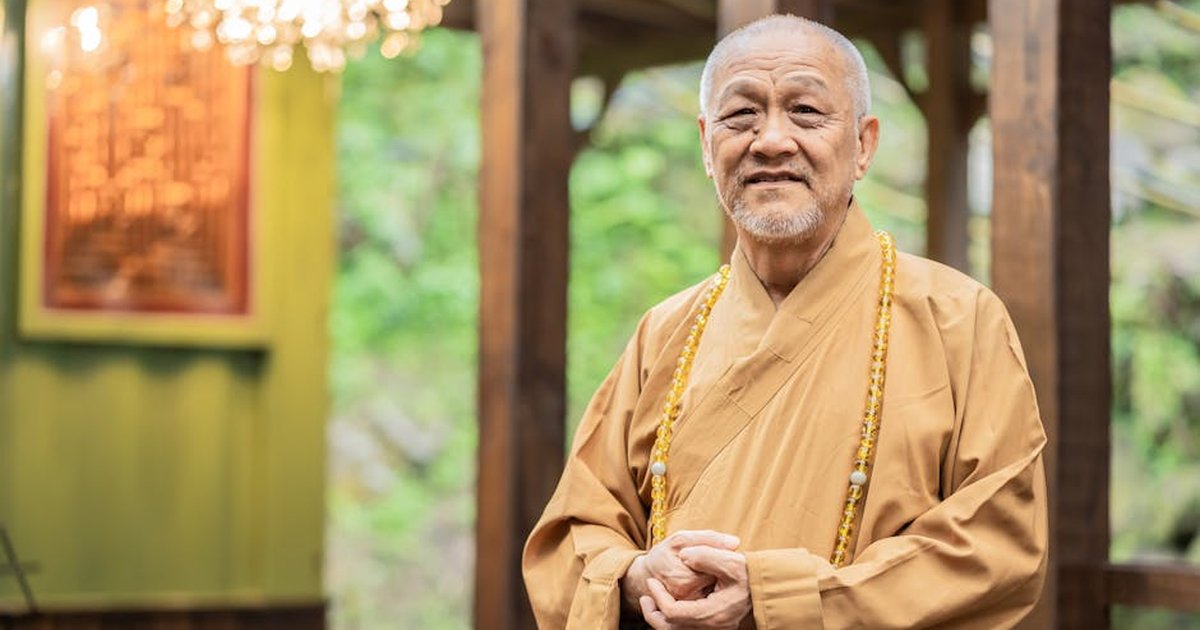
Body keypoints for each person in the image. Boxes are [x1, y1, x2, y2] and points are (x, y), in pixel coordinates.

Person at [523, 14, 1047, 629]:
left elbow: (998, 546)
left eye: (805, 111)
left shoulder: (959, 320)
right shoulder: (664, 333)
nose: (770, 140)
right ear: (705, 145)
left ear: (863, 145)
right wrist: (634, 577)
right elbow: (571, 540)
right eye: (741, 114)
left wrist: (781, 601)